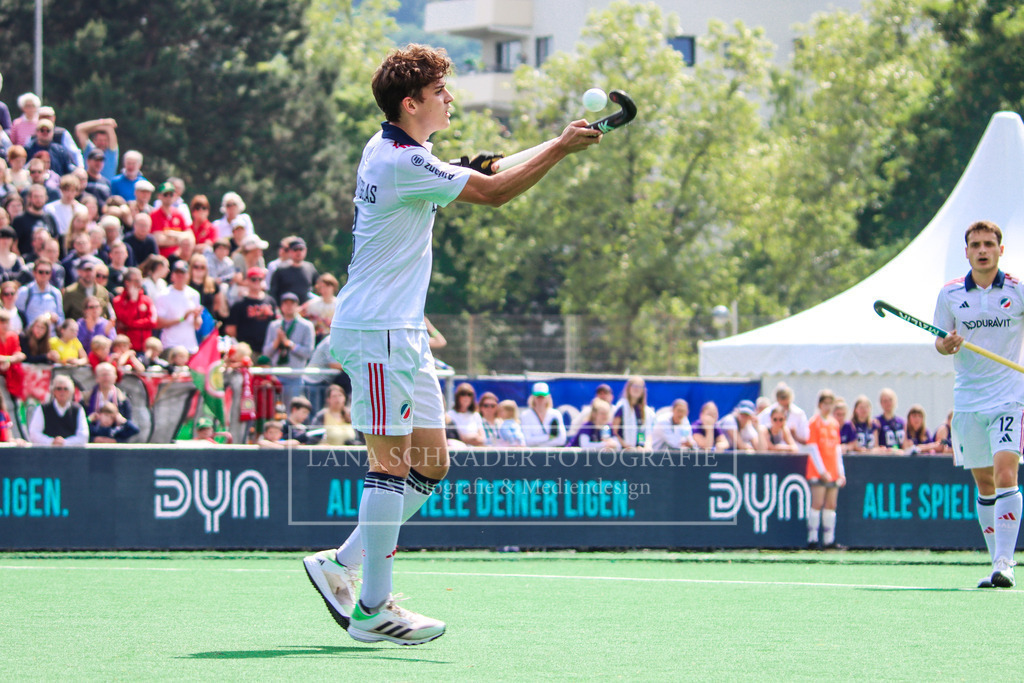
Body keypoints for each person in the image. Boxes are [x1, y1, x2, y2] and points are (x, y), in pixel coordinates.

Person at [303, 43, 601, 646]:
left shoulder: (397, 146)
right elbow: (493, 194)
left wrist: (557, 141)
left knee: (431, 463)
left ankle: (340, 564)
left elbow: (485, 171)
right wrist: (563, 152)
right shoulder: (399, 163)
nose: (450, 97)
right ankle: (372, 609)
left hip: (401, 330)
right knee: (387, 466)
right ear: (411, 104)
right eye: (440, 91)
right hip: (378, 329)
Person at [934, 219, 1024, 587]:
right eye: (976, 245)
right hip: (968, 398)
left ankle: (1005, 562)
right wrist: (946, 345)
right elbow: (939, 341)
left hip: (1009, 398)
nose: (983, 250)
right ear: (967, 251)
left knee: (1006, 475)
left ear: (1000, 250)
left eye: (989, 244)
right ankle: (995, 562)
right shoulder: (950, 293)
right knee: (984, 483)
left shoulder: (1018, 290)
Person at [805, 389, 846, 549]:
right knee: (817, 503)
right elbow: (813, 448)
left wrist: (840, 472)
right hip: (818, 471)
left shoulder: (834, 424)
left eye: (830, 404)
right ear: (820, 405)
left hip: (833, 472)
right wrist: (822, 471)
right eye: (825, 404)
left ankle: (829, 540)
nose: (828, 407)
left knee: (831, 505)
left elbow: (836, 449)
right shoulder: (814, 422)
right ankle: (813, 539)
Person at [262, 291, 314, 404]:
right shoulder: (274, 325)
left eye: (292, 303)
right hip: (276, 375)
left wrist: (289, 344)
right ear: (281, 306)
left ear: (297, 306)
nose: (289, 306)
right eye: (286, 303)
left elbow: (308, 352)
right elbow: (266, 352)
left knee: (292, 409)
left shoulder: (306, 326)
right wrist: (277, 342)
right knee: (273, 412)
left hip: (295, 376)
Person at [224, 267, 278, 351]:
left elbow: (277, 324)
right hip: (247, 350)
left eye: (259, 279)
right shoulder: (239, 303)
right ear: (247, 280)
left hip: (268, 349)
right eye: (254, 279)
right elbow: (230, 329)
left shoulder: (270, 301)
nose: (257, 282)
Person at [155, 260, 203, 354]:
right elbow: (158, 323)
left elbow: (197, 325)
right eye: (177, 273)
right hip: (171, 345)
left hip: (190, 346)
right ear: (173, 275)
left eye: (183, 273)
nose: (180, 276)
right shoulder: (164, 295)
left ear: (188, 275)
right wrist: (181, 318)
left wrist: (196, 316)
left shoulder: (194, 294)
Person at [28, 374, 89, 446]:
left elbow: (83, 436)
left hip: (72, 454)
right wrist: (51, 442)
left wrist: (65, 442)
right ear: (54, 391)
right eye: (59, 388)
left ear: (71, 392)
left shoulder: (78, 409)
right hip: (47, 453)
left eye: (66, 389)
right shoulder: (43, 408)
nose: (62, 392)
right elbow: (34, 433)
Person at [610, 375, 655, 449]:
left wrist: (644, 446)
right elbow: (614, 431)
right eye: (634, 386)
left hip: (640, 452)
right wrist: (626, 446)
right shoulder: (621, 407)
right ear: (628, 388)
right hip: (624, 451)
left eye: (640, 387)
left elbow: (646, 433)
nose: (637, 389)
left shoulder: (647, 411)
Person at [15, 258, 63, 328]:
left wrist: (56, 319)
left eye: (47, 272)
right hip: (31, 336)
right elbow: (18, 317)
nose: (44, 275)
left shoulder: (56, 293)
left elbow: (61, 319)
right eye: (41, 272)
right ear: (34, 273)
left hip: (51, 336)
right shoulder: (25, 292)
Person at [269, 237, 318, 305]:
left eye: (301, 249)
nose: (298, 252)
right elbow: (273, 292)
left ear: (305, 250)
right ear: (290, 251)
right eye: (295, 249)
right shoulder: (281, 270)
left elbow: (317, 287)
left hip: (306, 311)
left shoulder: (310, 268)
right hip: (285, 312)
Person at [521, 382, 568, 447]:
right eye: (538, 396)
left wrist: (539, 441)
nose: (540, 399)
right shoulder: (525, 415)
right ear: (533, 397)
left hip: (552, 454)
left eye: (543, 396)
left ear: (548, 397)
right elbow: (527, 440)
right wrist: (549, 437)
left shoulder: (556, 414)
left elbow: (562, 439)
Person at [75, 117, 119, 182]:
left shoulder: (111, 152)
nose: (102, 143)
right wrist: (103, 122)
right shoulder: (89, 150)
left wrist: (100, 127)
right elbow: (79, 129)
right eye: (100, 140)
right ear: (94, 141)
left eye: (105, 140)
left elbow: (109, 128)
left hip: (106, 188)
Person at [446, 382, 487, 446]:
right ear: (457, 397)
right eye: (463, 394)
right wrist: (472, 438)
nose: (466, 397)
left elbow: (482, 438)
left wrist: (473, 439)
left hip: (476, 451)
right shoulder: (450, 415)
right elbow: (455, 437)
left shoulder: (476, 415)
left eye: (469, 394)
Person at [0, 310, 26, 400]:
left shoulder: (13, 336)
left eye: (6, 322)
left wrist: (7, 360)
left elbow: (20, 355)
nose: (5, 325)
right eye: (2, 323)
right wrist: (10, 359)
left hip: (12, 376)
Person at [874, 387, 906, 453]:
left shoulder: (902, 422)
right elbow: (875, 446)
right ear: (881, 403)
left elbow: (906, 446)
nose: (888, 403)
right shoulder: (877, 422)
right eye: (885, 401)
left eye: (890, 400)